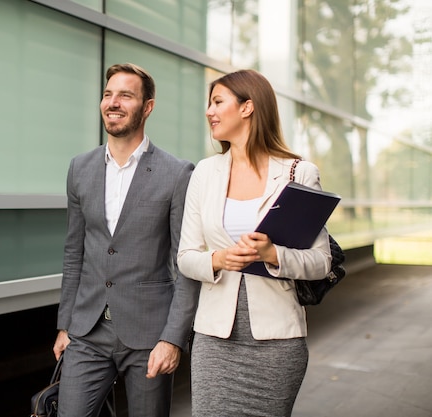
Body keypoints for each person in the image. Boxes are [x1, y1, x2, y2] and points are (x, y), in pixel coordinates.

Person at [177, 69, 332, 417]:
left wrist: (272, 254)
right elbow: (185, 257)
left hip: (278, 343)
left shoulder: (298, 172)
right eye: (209, 103)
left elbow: (321, 261)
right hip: (214, 340)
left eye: (218, 102)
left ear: (248, 107)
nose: (209, 111)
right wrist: (218, 259)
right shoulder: (204, 172)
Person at [53, 63, 200, 417]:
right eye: (107, 94)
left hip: (150, 335)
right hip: (86, 332)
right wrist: (64, 325)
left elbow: (187, 264)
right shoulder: (80, 167)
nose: (113, 103)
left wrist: (172, 338)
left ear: (147, 107)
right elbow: (74, 253)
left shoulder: (177, 173)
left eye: (125, 95)